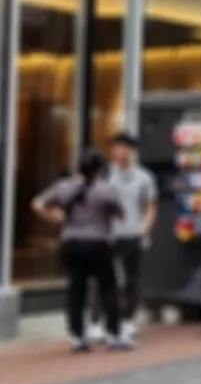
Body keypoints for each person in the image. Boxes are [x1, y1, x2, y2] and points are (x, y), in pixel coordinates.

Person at [32, 148, 126, 353]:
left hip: (71, 242)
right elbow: (121, 215)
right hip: (99, 242)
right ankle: (113, 335)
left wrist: (57, 218)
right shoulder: (107, 190)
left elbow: (37, 204)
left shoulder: (63, 187)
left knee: (76, 289)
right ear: (100, 168)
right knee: (108, 287)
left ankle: (78, 337)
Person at [88, 131, 157, 345]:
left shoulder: (143, 177)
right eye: (117, 148)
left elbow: (150, 206)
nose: (121, 152)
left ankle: (128, 320)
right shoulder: (104, 175)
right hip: (106, 234)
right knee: (100, 279)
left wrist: (144, 227)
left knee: (131, 278)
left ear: (132, 151)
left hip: (132, 234)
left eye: (125, 148)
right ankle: (96, 322)